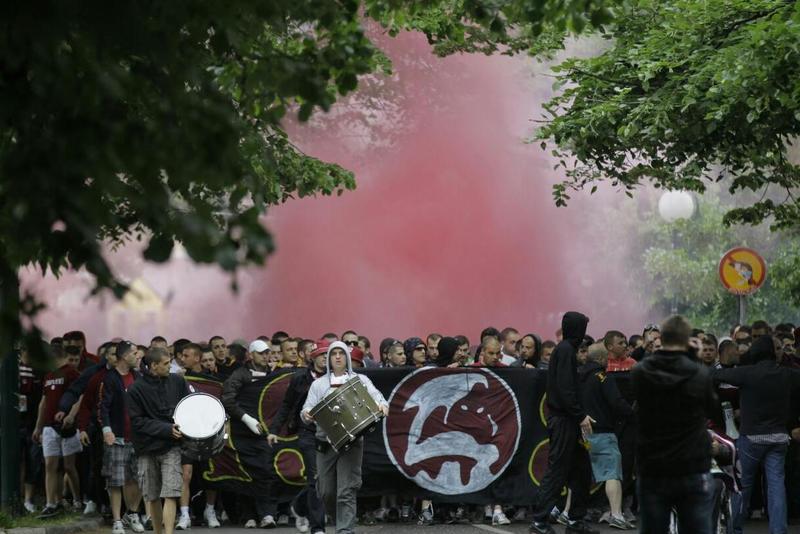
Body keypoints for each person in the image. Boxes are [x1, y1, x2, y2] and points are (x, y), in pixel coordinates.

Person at [631, 315, 717, 534]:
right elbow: (712, 408)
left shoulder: (641, 372)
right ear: (687, 339)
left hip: (653, 465)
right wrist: (693, 357)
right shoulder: (699, 373)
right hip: (691, 465)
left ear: (662, 338)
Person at [713, 335, 800, 534]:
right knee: (776, 486)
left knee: (743, 486)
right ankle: (778, 530)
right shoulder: (787, 374)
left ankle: (735, 529)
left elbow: (716, 375)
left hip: (751, 439)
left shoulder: (746, 373)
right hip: (779, 438)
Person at [302, 341, 388, 534]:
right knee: (325, 492)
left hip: (352, 440)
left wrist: (382, 406)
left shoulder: (360, 380)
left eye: (341, 353)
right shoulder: (318, 384)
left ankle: (345, 529)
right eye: (334, 354)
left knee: (346, 489)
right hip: (325, 443)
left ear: (347, 357)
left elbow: (379, 399)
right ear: (329, 358)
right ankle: (340, 519)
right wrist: (306, 414)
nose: (338, 357)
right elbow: (306, 409)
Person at [529, 312, 597, 534]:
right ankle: (539, 521)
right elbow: (566, 389)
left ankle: (575, 520)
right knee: (558, 470)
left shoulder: (564, 350)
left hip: (568, 420)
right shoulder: (566, 350)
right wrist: (580, 415)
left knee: (581, 471)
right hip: (565, 421)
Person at [268, 341, 329, 534]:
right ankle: (317, 527)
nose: (325, 358)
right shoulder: (300, 378)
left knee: (327, 479)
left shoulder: (336, 377)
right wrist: (273, 430)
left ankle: (299, 506)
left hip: (332, 433)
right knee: (316, 477)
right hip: (307, 432)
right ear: (313, 357)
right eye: (321, 354)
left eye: (328, 354)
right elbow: (286, 405)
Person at [127, 347, 190, 534]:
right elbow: (137, 422)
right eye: (166, 363)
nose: (170, 366)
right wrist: (167, 429)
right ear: (154, 365)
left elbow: (188, 407)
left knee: (171, 493)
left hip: (172, 446)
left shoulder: (178, 381)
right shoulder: (136, 389)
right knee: (152, 496)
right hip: (146, 448)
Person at [221, 339, 278, 528]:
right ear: (251, 355)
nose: (265, 356)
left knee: (266, 471)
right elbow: (227, 399)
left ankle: (267, 514)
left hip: (265, 432)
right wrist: (246, 418)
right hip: (242, 433)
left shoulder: (274, 374)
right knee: (245, 473)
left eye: (267, 352)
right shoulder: (239, 374)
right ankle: (248, 516)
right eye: (261, 353)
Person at [578, 342, 633, 530]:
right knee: (612, 473)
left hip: (582, 435)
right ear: (602, 359)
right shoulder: (603, 377)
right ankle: (616, 515)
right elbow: (616, 402)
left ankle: (565, 512)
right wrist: (632, 414)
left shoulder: (578, 377)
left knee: (578, 475)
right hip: (603, 433)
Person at [33, 344, 83, 518]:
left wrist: (71, 416)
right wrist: (38, 426)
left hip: (67, 426)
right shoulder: (48, 376)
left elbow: (79, 396)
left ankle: (77, 499)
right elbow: (43, 402)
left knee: (69, 466)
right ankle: (51, 504)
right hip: (49, 426)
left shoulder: (71, 373)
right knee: (50, 465)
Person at [100, 341, 145, 534]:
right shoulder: (110, 378)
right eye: (134, 353)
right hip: (117, 438)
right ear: (125, 356)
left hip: (138, 437)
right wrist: (107, 430)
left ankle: (132, 513)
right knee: (115, 481)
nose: (138, 356)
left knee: (139, 479)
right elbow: (103, 406)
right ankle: (117, 520)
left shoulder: (138, 376)